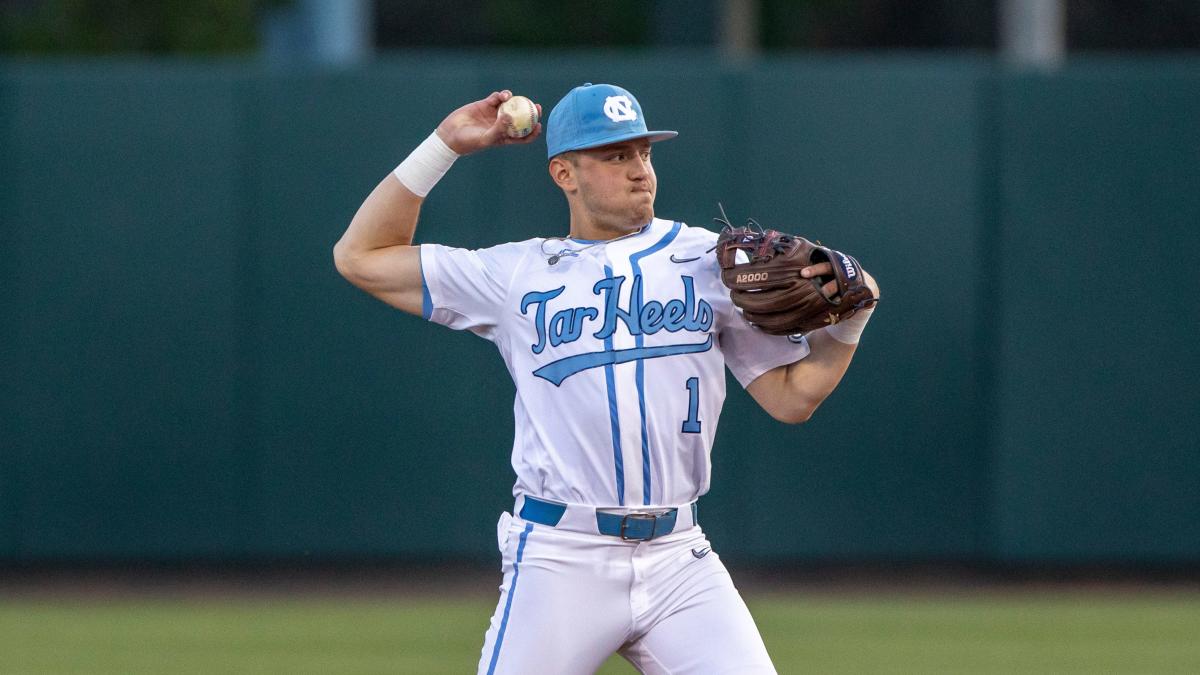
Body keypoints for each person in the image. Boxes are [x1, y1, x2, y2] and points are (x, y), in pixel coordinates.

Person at [334, 83, 878, 675]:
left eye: (643, 152)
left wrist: (851, 323)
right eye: (616, 156)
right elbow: (360, 256)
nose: (639, 171)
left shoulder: (709, 261)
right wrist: (445, 145)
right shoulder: (514, 273)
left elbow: (792, 399)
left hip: (679, 559)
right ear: (564, 173)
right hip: (560, 556)